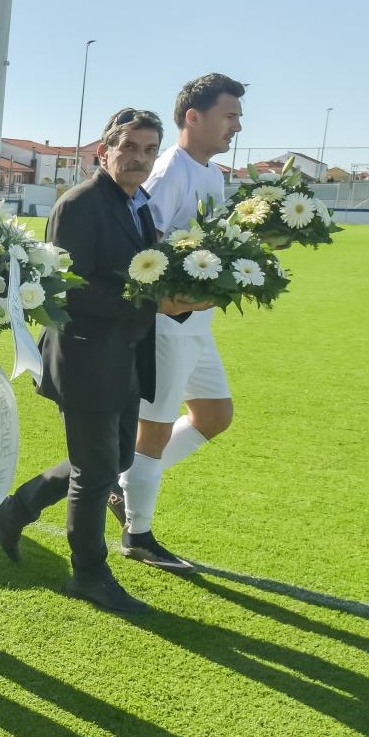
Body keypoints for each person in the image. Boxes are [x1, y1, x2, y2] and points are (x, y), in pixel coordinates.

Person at [0, 109, 203, 613]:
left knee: (116, 460)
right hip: (85, 355)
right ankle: (88, 574)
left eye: (149, 150)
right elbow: (69, 289)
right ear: (103, 151)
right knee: (96, 471)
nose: (139, 159)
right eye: (129, 147)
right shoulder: (79, 204)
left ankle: (16, 508)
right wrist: (155, 305)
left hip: (125, 353)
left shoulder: (137, 205)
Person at [115, 74, 247, 572]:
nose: (237, 125)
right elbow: (142, 248)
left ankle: (121, 485)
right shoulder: (170, 171)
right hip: (168, 321)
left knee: (214, 415)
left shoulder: (212, 173)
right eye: (229, 115)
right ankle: (138, 535)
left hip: (196, 320)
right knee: (152, 431)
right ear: (194, 116)